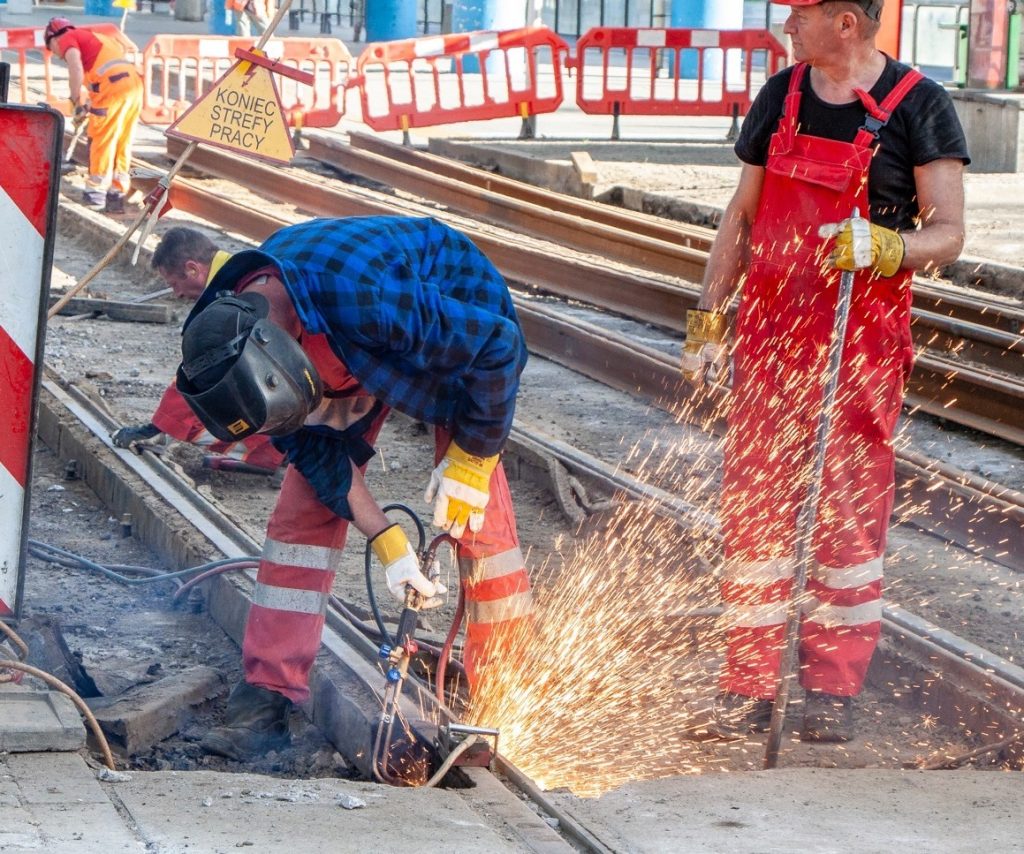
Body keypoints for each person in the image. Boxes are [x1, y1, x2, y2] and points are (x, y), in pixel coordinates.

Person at [681, 0, 968, 742]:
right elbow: (740, 217)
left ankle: (831, 689)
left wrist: (891, 247)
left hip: (858, 338)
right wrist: (710, 318)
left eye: (798, 14)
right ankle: (748, 684)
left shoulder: (919, 107)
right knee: (756, 508)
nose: (787, 27)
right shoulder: (782, 95)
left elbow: (951, 233)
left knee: (845, 511)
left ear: (846, 22)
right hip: (774, 334)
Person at [174, 216, 535, 759]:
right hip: (343, 334)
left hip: (461, 341)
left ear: (282, 351)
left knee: (478, 524)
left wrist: (472, 461)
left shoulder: (373, 300)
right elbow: (321, 460)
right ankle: (264, 696)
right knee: (301, 516)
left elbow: (498, 348)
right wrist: (387, 541)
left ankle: (507, 698)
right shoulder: (228, 324)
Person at [110, 227, 284, 476]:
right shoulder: (241, 275)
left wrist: (160, 428)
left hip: (299, 406)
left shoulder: (230, 303)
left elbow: (202, 371)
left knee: (203, 419)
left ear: (193, 269)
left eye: (175, 283)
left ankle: (280, 451)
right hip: (316, 388)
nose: (178, 293)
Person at [44, 17, 143, 214]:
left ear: (53, 38)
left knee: (101, 139)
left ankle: (95, 194)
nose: (55, 55)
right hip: (133, 87)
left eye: (51, 49)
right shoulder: (94, 39)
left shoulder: (66, 37)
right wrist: (87, 104)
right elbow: (101, 75)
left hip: (112, 89)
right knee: (123, 141)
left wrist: (74, 101)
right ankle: (117, 194)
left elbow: (75, 67)